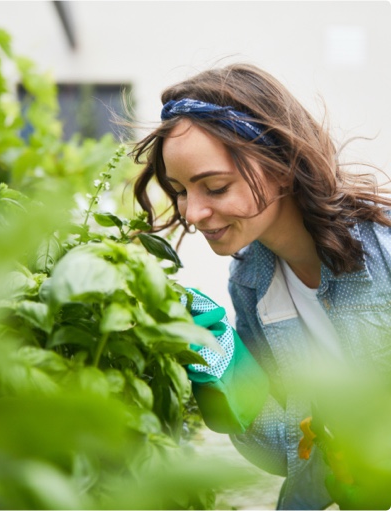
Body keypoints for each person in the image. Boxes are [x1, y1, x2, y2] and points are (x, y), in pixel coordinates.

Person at [131, 63, 391, 510]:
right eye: (179, 190)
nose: (192, 213)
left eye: (214, 187)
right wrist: (231, 374)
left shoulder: (382, 255)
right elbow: (289, 453)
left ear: (283, 166)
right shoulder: (251, 285)